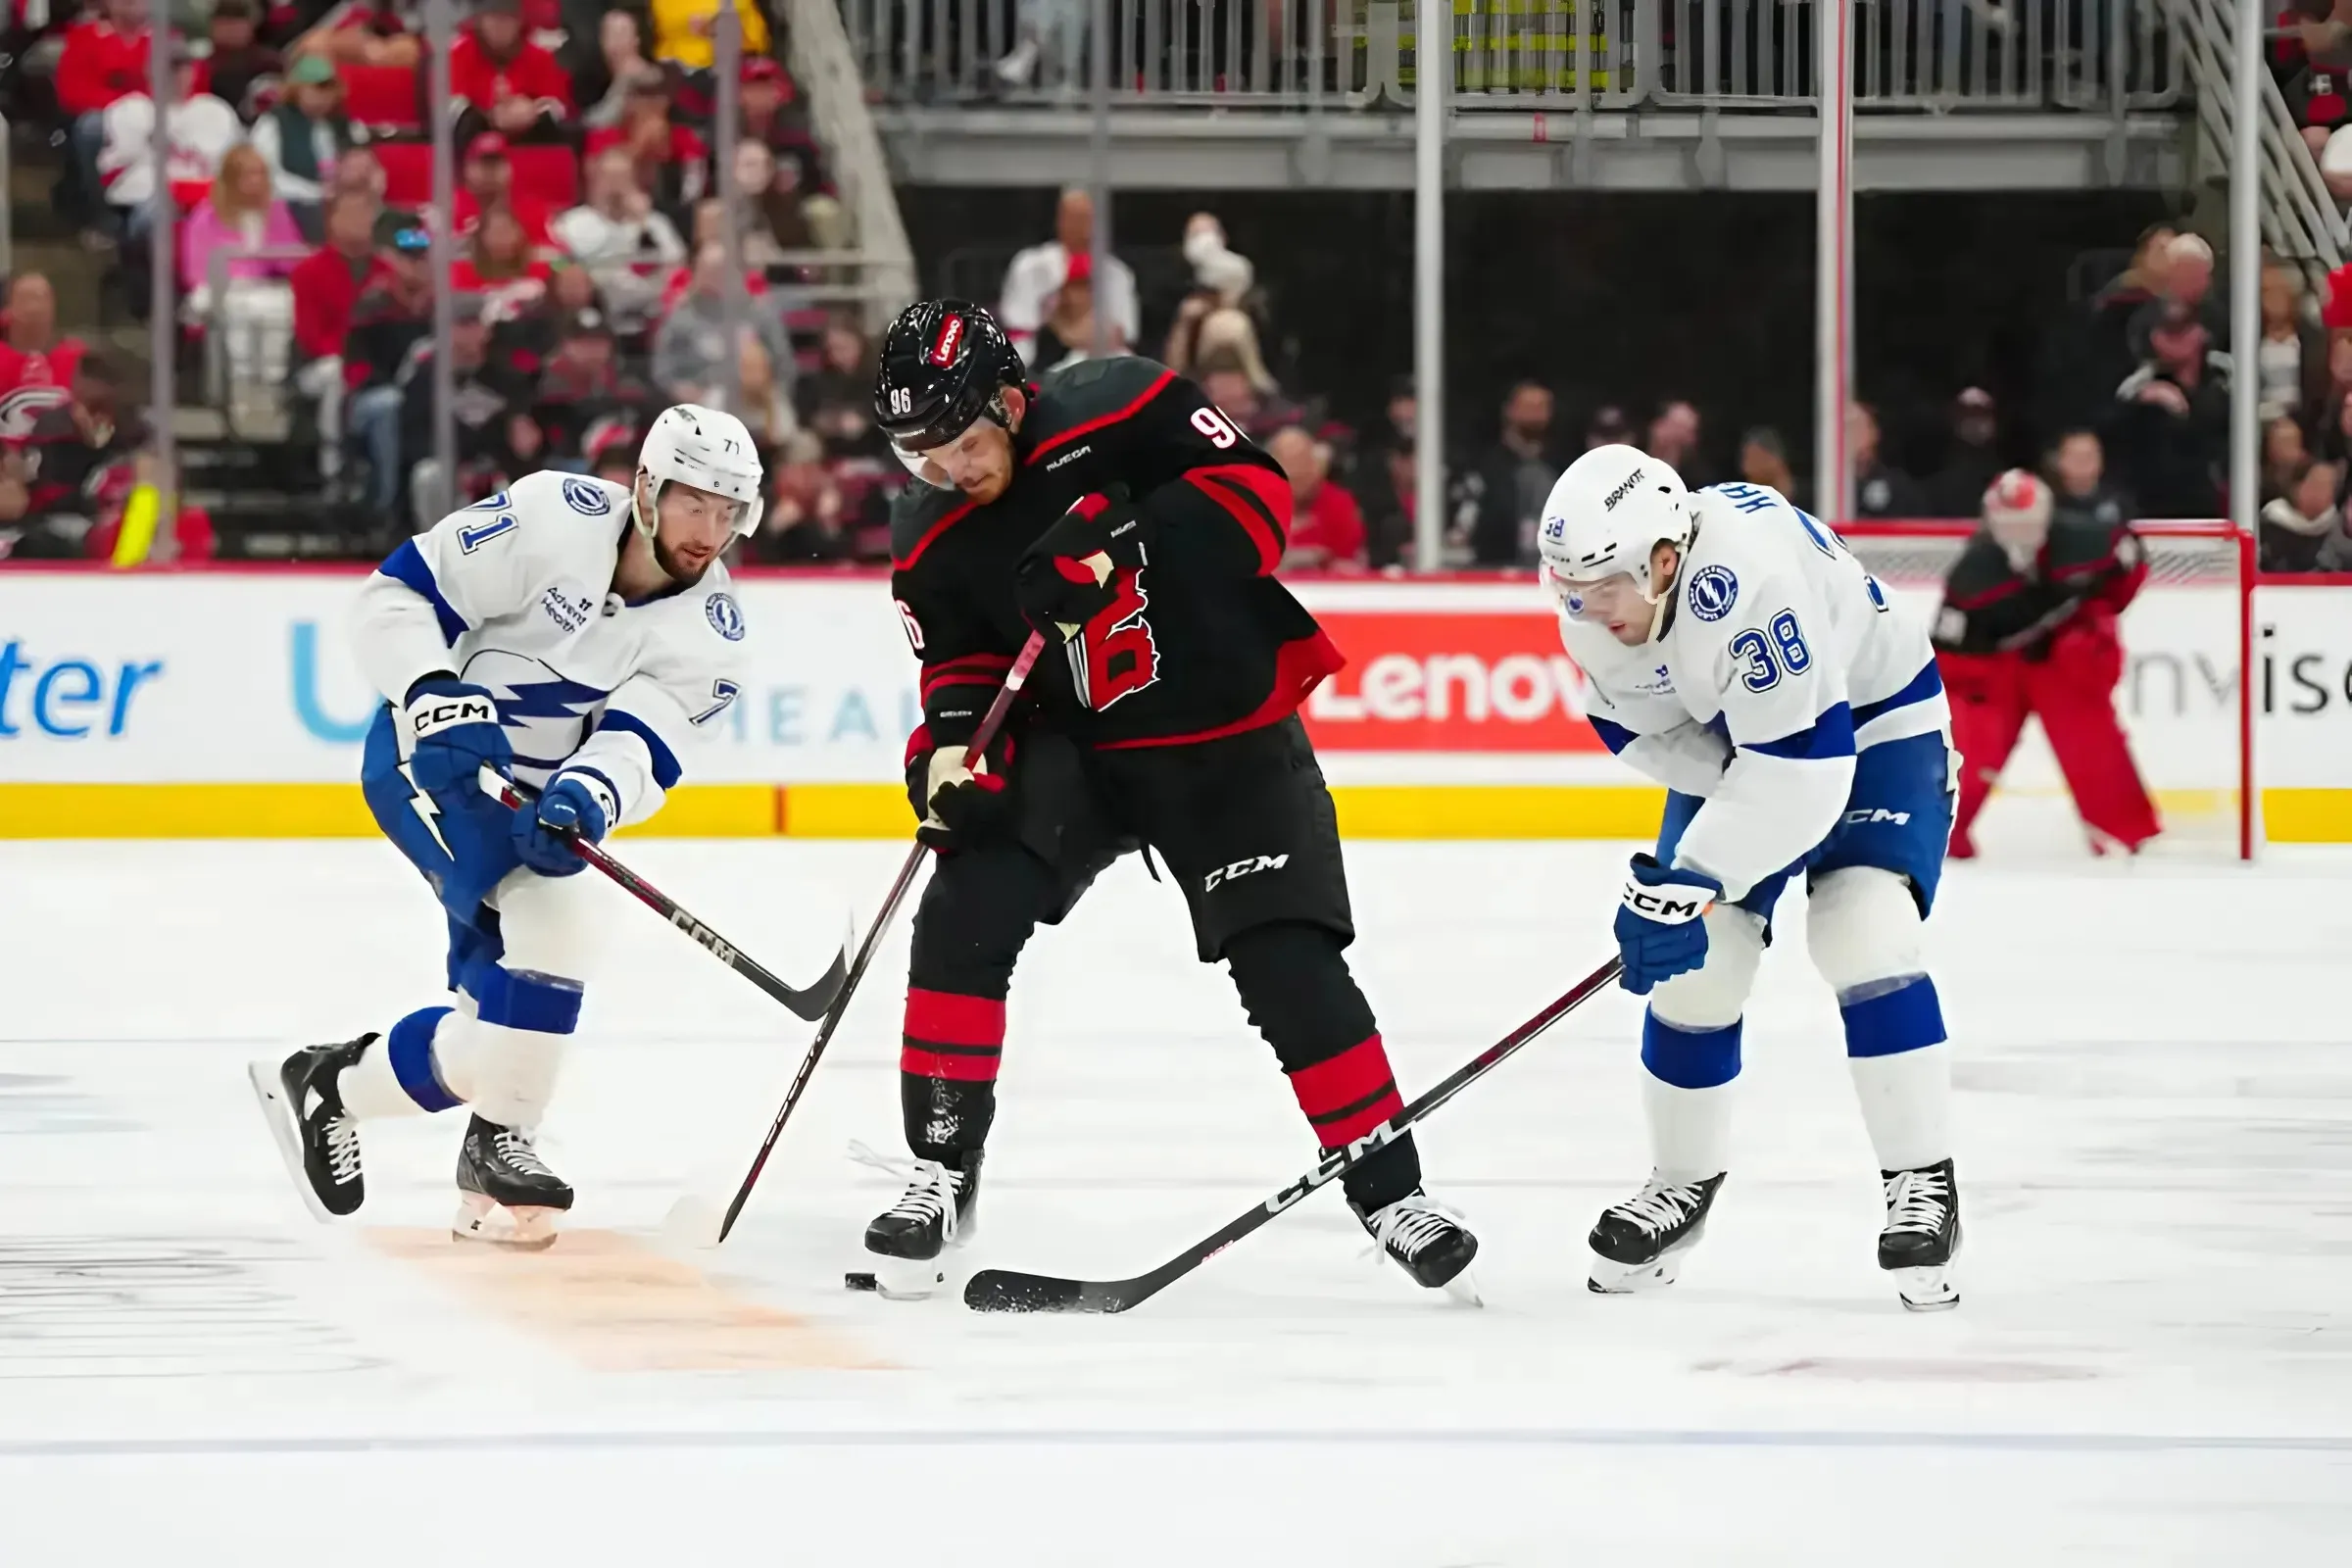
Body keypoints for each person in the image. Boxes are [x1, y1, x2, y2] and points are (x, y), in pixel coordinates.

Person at [865, 300, 1479, 1301]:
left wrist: (1122, 541)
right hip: (1077, 748)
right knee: (964, 909)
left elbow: (1260, 502)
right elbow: (965, 661)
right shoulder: (930, 531)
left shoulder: (1124, 403)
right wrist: (949, 750)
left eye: (966, 444)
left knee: (1287, 956)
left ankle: (1392, 1193)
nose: (952, 473)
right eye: (923, 457)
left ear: (1015, 402)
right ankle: (941, 1168)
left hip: (1222, 734)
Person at [248, 406, 762, 1247]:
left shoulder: (712, 631)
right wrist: (430, 689)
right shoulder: (554, 519)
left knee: (498, 1039)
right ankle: (498, 1145)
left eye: (727, 510)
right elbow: (397, 597)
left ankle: (333, 1086)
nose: (709, 530)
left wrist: (590, 793)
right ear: (646, 489)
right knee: (557, 932)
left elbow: (644, 742)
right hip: (434, 767)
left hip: (535, 808)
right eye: (692, 502)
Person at [1538, 446, 1961, 1310]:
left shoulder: (1749, 584)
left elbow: (1807, 772)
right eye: (1567, 585)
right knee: (1703, 968)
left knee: (1861, 928)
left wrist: (1691, 875)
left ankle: (1922, 1183)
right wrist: (1691, 894)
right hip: (1748, 739)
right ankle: (1680, 1185)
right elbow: (1650, 739)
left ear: (1665, 557)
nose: (1584, 607)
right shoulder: (1598, 603)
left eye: (1603, 584)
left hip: (1879, 723)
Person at [1934, 469, 2160, 857]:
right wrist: (1970, 689)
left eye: (2027, 521)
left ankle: (2122, 830)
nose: (2019, 531)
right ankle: (1944, 830)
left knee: (2089, 738)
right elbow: (1950, 652)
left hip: (2063, 656)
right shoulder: (1972, 575)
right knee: (1971, 747)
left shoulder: (2092, 541)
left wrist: (2096, 621)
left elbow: (2128, 570)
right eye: (2009, 522)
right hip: (1996, 665)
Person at [252, 54, 370, 235]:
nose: (323, 97)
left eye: (328, 90)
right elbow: (266, 177)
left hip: (335, 205)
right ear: (297, 89)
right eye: (316, 89)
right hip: (287, 207)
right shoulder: (273, 123)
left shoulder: (340, 126)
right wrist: (316, 193)